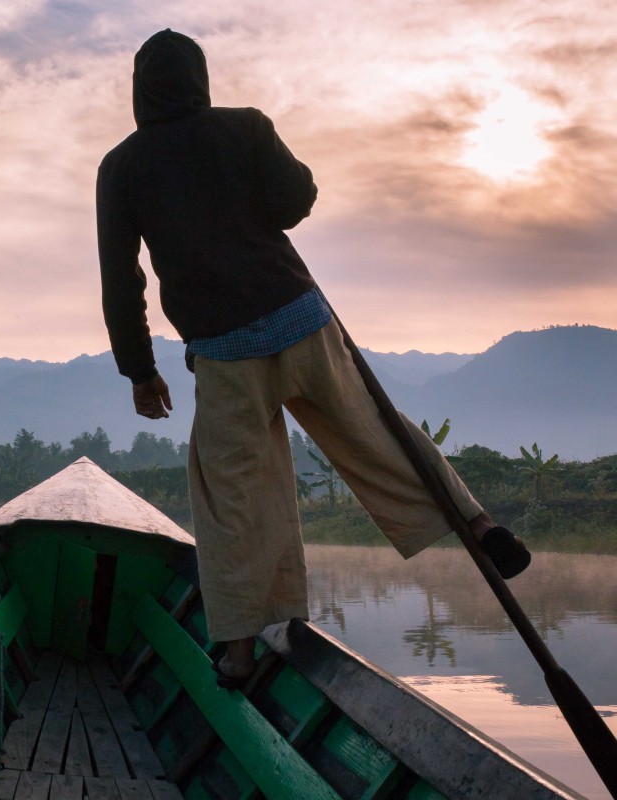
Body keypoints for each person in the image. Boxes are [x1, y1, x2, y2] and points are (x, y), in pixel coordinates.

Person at [95, 29, 530, 689]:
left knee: (232, 499)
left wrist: (139, 369)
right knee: (379, 435)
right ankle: (478, 519)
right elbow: (295, 200)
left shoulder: (121, 167)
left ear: (138, 90)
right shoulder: (246, 128)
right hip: (302, 321)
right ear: (200, 80)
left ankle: (240, 653)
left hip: (225, 354)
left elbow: (121, 278)